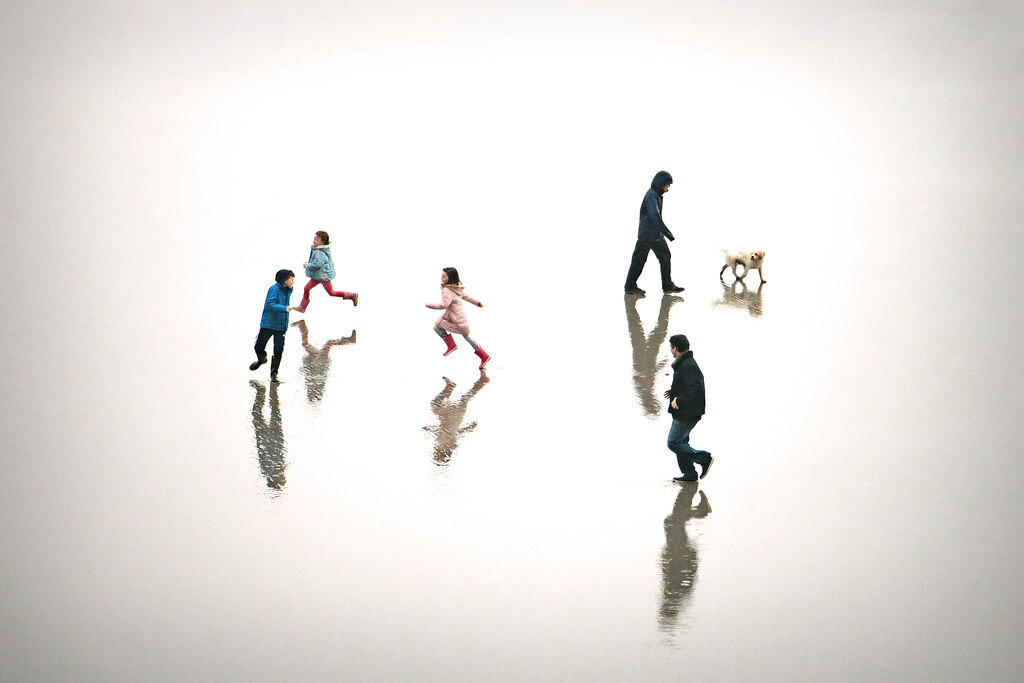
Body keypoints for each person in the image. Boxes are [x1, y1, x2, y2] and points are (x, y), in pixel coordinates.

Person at [625, 171, 685, 295]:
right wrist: (669, 235)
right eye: (667, 185)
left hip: (652, 235)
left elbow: (656, 219)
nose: (668, 188)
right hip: (649, 236)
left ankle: (666, 285)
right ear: (660, 184)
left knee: (661, 257)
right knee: (640, 260)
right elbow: (655, 218)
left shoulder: (655, 194)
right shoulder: (652, 196)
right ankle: (631, 286)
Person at [663, 334, 712, 482]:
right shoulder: (683, 362)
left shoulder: (687, 365)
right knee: (681, 443)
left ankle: (704, 458)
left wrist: (679, 399)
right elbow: (687, 384)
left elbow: (696, 389)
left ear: (675, 348)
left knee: (673, 443)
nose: (670, 350)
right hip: (685, 411)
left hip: (687, 412)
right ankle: (689, 474)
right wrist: (674, 391)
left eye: (671, 347)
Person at [425, 267, 491, 368]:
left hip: (455, 318)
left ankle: (452, 346)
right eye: (441, 276)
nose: (441, 278)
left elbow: (443, 305)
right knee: (466, 335)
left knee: (439, 327)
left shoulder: (447, 290)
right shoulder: (456, 287)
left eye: (444, 276)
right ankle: (483, 355)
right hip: (457, 316)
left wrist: (428, 304)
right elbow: (466, 296)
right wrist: (477, 303)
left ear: (449, 277)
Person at [249, 269, 297, 383]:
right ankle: (261, 359)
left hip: (281, 326)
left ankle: (274, 374)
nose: (293, 282)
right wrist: (284, 308)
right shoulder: (274, 289)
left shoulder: (288, 290)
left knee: (278, 350)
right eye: (291, 280)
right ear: (285, 280)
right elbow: (270, 305)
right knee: (258, 347)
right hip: (268, 324)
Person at [295, 230, 358, 313]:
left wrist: (307, 266)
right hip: (318, 275)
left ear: (322, 242)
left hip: (322, 276)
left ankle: (352, 295)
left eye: (316, 239)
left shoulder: (319, 252)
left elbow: (317, 265)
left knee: (332, 292)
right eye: (314, 239)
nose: (314, 241)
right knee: (306, 288)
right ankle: (302, 307)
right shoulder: (322, 249)